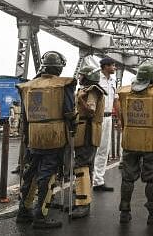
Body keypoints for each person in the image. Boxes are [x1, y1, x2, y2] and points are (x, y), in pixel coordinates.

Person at [15, 51, 76, 229]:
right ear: (59, 67)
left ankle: (23, 211)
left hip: (34, 135)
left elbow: (25, 116)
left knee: (31, 174)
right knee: (47, 176)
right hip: (54, 136)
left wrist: (26, 135)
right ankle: (40, 216)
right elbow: (69, 111)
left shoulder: (27, 86)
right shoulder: (64, 84)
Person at [117, 63, 153, 225]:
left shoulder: (124, 93)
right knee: (151, 178)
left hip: (130, 140)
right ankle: (152, 213)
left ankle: (125, 211)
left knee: (127, 178)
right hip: (152, 142)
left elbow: (122, 116)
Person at [72, 66, 106, 219]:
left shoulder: (92, 90)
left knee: (82, 166)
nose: (79, 77)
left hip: (87, 131)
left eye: (82, 75)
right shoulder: (90, 89)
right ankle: (84, 197)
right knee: (87, 165)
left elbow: (91, 110)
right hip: (87, 130)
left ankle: (83, 203)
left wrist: (79, 99)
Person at [93, 57, 119, 192]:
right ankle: (87, 180)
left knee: (104, 149)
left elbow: (116, 101)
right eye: (113, 65)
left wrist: (119, 118)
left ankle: (98, 180)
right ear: (105, 66)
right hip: (97, 118)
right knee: (94, 149)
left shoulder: (113, 81)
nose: (115, 68)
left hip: (108, 117)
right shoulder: (96, 79)